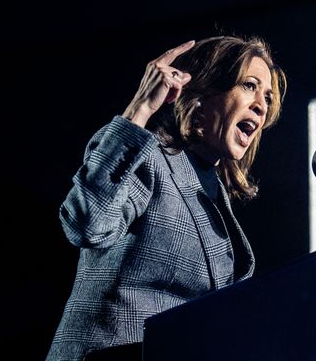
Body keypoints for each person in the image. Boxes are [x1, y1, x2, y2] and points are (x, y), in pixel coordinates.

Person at [47, 36, 287, 361]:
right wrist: (141, 109)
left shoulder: (213, 192)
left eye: (268, 96)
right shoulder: (150, 159)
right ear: (203, 94)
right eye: (249, 85)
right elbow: (86, 222)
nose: (262, 105)